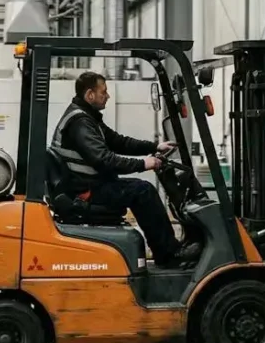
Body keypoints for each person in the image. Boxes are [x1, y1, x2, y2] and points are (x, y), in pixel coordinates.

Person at [52, 72, 197, 268]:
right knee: (143, 191)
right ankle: (169, 255)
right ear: (90, 95)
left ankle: (168, 250)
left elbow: (118, 142)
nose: (108, 96)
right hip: (86, 191)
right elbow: (104, 160)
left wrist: (154, 146)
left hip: (88, 185)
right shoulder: (80, 123)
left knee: (140, 189)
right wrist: (143, 164)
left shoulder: (87, 118)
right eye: (103, 92)